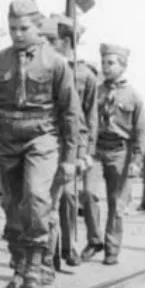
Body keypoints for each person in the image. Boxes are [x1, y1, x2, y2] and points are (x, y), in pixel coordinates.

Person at [0, 0, 80, 288]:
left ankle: (34, 264)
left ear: (37, 26)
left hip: (41, 138)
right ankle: (19, 270)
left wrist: (70, 159)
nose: (17, 34)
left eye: (23, 28)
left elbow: (70, 114)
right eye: (12, 28)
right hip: (6, 140)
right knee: (13, 206)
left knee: (37, 197)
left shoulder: (55, 63)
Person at [86, 43, 145, 265]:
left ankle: (112, 249)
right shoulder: (97, 91)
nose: (106, 67)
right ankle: (94, 240)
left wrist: (137, 161)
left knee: (116, 204)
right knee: (88, 194)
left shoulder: (134, 96)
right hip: (96, 150)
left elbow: (140, 131)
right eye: (103, 62)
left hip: (121, 152)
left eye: (111, 63)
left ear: (123, 66)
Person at [49, 16, 99, 268]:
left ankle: (67, 248)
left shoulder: (85, 76)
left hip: (73, 144)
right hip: (46, 139)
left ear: (67, 41)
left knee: (67, 196)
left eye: (53, 39)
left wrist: (87, 152)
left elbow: (90, 117)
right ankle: (49, 254)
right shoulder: (44, 66)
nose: (48, 43)